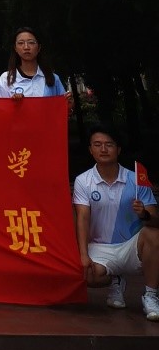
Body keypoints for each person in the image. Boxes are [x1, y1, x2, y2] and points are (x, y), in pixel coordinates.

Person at [72, 125, 158, 321]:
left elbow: (154, 220)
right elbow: (82, 219)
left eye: (109, 145)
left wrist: (143, 213)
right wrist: (83, 255)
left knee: (155, 235)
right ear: (90, 149)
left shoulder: (135, 179)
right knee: (87, 274)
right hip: (100, 247)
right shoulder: (83, 181)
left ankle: (151, 296)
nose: (103, 149)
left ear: (118, 149)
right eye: (98, 145)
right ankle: (116, 280)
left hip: (131, 246)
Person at [0, 26, 66, 99]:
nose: (26, 47)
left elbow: (61, 107)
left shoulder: (52, 78)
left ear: (39, 47)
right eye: (21, 43)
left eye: (31, 42)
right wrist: (13, 104)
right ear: (15, 48)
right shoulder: (5, 79)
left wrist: (69, 105)